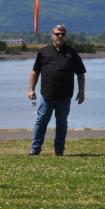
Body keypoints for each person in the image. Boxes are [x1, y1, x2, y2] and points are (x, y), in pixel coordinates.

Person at [27, 24, 86, 156]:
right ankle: (35, 149)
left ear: (65, 36)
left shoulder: (72, 53)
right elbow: (35, 72)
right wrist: (31, 89)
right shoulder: (43, 52)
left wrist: (81, 91)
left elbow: (80, 73)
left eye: (62, 34)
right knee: (41, 121)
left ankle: (59, 151)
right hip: (46, 96)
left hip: (64, 96)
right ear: (52, 35)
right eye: (57, 34)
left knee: (61, 123)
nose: (60, 36)